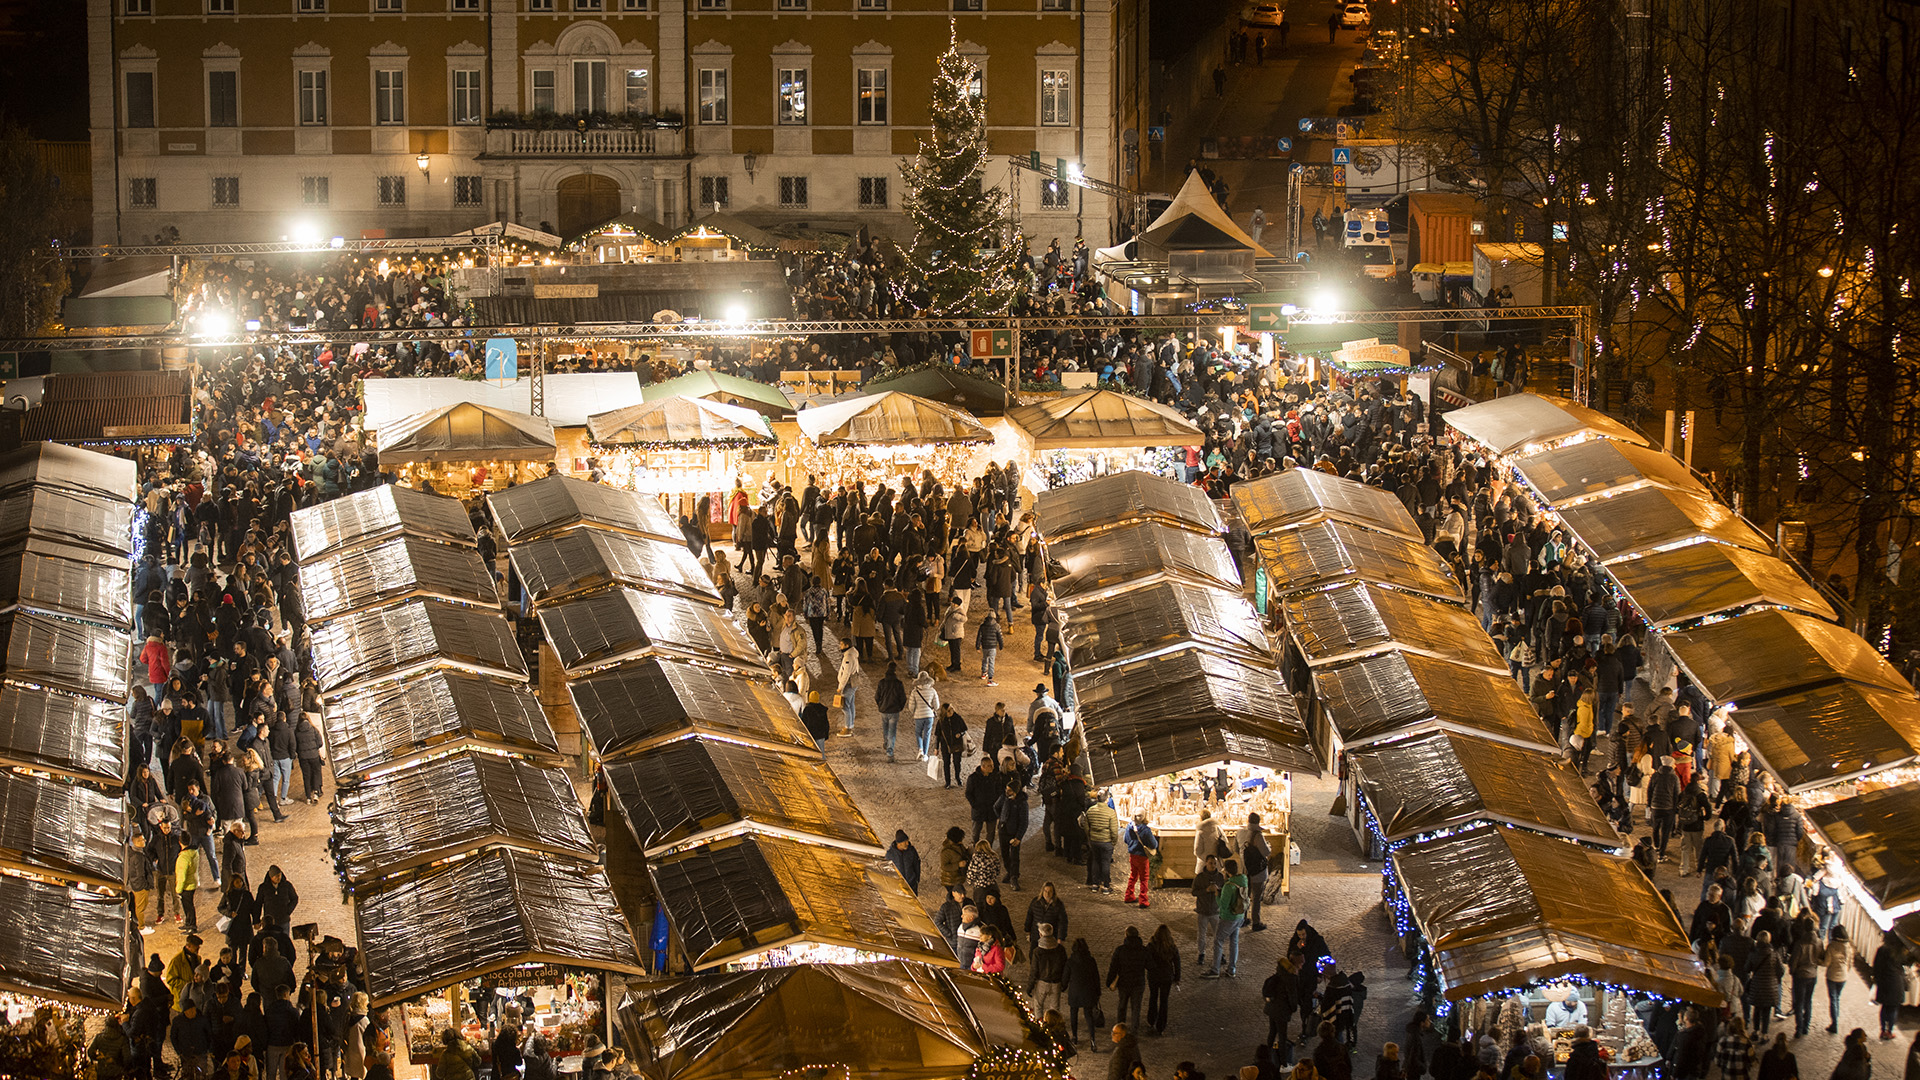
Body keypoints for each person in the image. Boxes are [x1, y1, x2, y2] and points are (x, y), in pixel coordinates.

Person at [1204, 858, 1248, 978]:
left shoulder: (1229, 886)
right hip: (1240, 916)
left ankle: (1215, 969)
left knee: (1218, 941)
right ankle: (1232, 969)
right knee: (1234, 942)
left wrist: (1217, 895)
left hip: (1228, 918)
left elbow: (1223, 905)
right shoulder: (1243, 880)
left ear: (1227, 872)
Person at [1107, 926, 1150, 1033]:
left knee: (1122, 1005)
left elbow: (1113, 967)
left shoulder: (1120, 950)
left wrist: (1109, 981)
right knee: (1136, 1007)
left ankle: (1121, 1028)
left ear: (1126, 935)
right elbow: (1150, 965)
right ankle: (1134, 1029)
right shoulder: (1143, 950)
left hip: (1124, 982)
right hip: (1138, 983)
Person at [1066, 938, 1104, 1050]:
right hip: (1088, 992)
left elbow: (1065, 977)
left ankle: (1074, 1036)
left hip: (1075, 992)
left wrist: (1063, 986)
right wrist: (1098, 992)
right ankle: (1092, 1039)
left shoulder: (1070, 961)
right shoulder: (1091, 961)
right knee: (1089, 1015)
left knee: (1074, 1013)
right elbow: (1096, 977)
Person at [1145, 925, 1181, 1036]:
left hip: (1154, 976)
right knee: (1164, 1001)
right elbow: (1177, 963)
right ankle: (1161, 1025)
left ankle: (1151, 1019)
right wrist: (1177, 977)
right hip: (1166, 976)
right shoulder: (1172, 946)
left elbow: (1147, 961)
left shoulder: (1151, 946)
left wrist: (1152, 969)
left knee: (1153, 997)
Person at [1082, 792, 1119, 893]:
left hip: (1094, 840)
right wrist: (1113, 842)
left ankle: (1095, 884)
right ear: (1106, 799)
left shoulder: (1091, 811)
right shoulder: (1110, 812)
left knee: (1095, 861)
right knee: (1105, 863)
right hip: (1106, 841)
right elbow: (1114, 831)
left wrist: (1089, 838)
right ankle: (1106, 886)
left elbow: (1086, 826)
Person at [1240, 812, 1272, 931]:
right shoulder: (1258, 835)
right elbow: (1266, 852)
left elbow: (1238, 849)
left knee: (1246, 896)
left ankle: (1243, 918)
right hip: (1257, 872)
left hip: (1246, 870)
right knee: (1256, 897)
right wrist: (1269, 846)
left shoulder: (1242, 832)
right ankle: (1256, 922)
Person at [1874, 934, 1909, 1039]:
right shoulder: (1900, 951)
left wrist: (1877, 979)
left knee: (1884, 1007)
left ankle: (1883, 1030)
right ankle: (1889, 1031)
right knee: (1893, 1009)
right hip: (1896, 982)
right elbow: (1907, 962)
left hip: (1884, 981)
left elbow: (1876, 966)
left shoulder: (1881, 950)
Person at [1029, 922, 1068, 1017]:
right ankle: (1053, 1023)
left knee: (1038, 1005)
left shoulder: (1037, 951)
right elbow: (1065, 967)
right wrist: (1064, 983)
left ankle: (1039, 1023)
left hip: (1042, 982)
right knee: (1055, 1008)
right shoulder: (1060, 949)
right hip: (1056, 982)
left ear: (1040, 934)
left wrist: (1030, 986)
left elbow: (1034, 970)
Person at [1192, 855, 1225, 965]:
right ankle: (1201, 953)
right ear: (1206, 863)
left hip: (1216, 910)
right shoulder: (1200, 877)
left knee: (1218, 935)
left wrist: (1218, 890)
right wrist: (1206, 890)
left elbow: (1224, 891)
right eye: (1211, 863)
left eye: (1215, 863)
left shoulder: (1220, 877)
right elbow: (1194, 892)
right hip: (1203, 910)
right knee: (1202, 935)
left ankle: (1220, 954)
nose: (1213, 865)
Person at [1121, 813, 1158, 908]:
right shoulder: (1146, 830)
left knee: (1133, 875)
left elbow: (1125, 839)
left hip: (1133, 855)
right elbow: (1153, 844)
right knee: (1144, 878)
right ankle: (1143, 900)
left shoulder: (1129, 826)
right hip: (1142, 856)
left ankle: (1129, 895)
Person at [875, 662, 907, 762]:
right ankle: (890, 752)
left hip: (884, 710)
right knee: (892, 731)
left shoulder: (881, 683)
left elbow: (877, 697)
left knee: (885, 727)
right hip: (894, 711)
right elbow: (903, 698)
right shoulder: (898, 683)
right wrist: (900, 707)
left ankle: (886, 742)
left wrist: (880, 705)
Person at [1824, 925, 1852, 1034]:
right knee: (1837, 999)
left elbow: (1826, 963)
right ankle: (1836, 1020)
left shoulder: (1831, 946)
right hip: (1843, 977)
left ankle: (1834, 1024)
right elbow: (1850, 963)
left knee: (1833, 1000)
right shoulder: (1848, 946)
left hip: (1832, 976)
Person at [1716, 1016, 1756, 1080]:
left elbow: (1717, 1061)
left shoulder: (1722, 1041)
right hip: (1742, 1076)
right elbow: (1753, 1063)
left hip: (1726, 1076)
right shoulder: (1746, 1043)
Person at [887, 830, 921, 894]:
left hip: (912, 886)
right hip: (898, 888)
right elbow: (888, 873)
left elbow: (917, 865)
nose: (907, 843)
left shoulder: (912, 851)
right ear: (899, 843)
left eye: (907, 841)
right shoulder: (890, 854)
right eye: (905, 842)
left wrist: (916, 879)